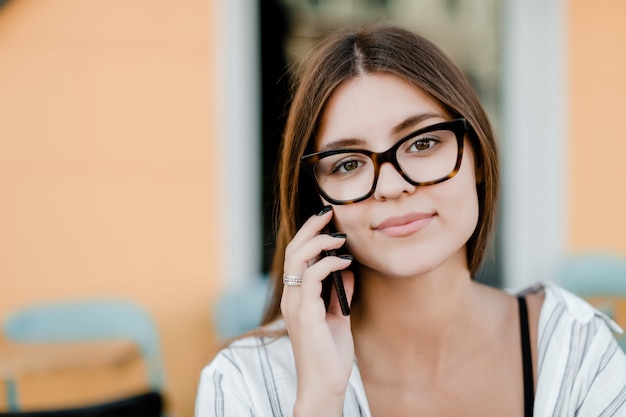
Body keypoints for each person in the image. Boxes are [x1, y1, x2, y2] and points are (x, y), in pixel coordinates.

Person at [195, 23, 626, 416]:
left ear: (477, 157)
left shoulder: (577, 349)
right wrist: (321, 400)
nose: (391, 185)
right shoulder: (243, 383)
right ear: (319, 199)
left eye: (422, 143)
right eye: (348, 164)